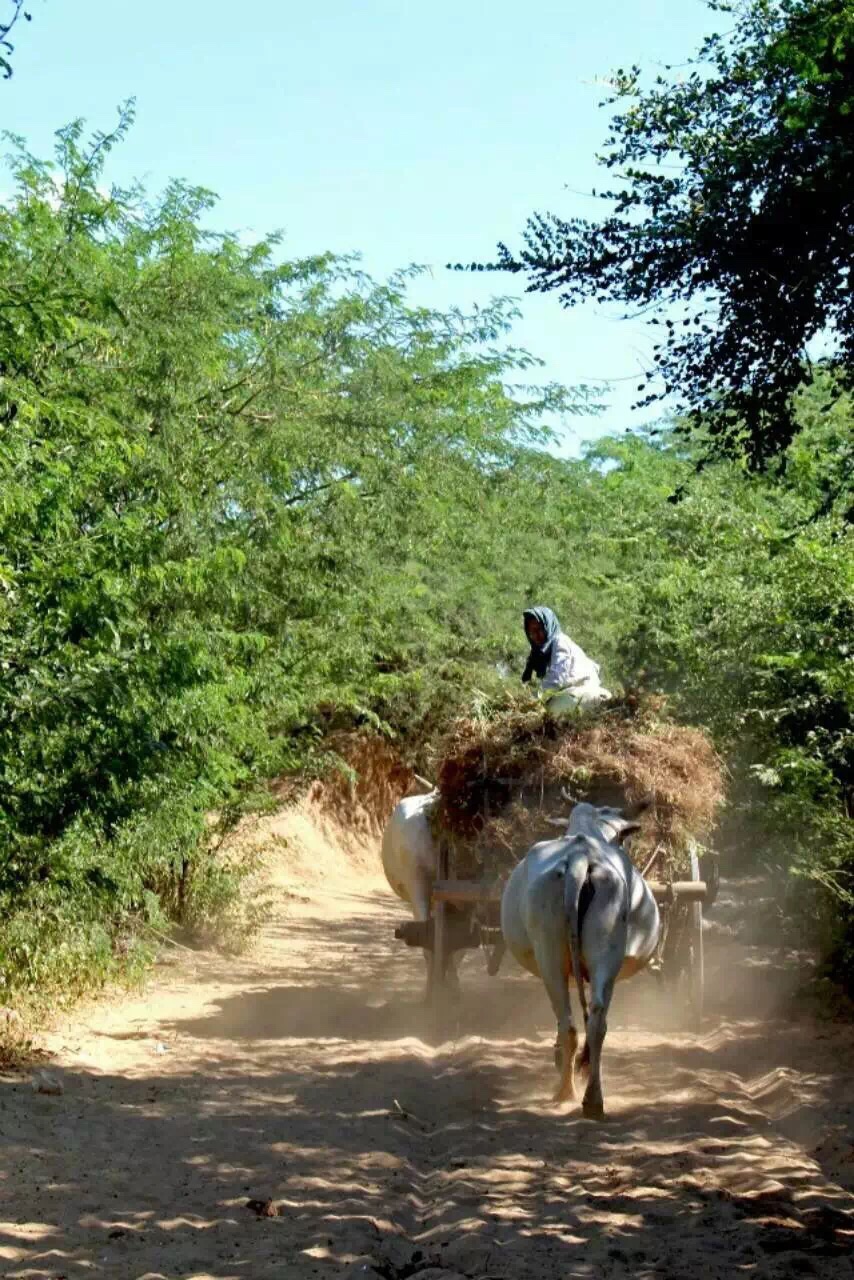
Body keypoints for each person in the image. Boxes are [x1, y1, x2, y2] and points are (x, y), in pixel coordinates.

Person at [521, 605, 610, 706]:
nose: (536, 636)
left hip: (585, 694)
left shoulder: (560, 642)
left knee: (548, 708)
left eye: (539, 630)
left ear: (548, 626)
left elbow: (556, 678)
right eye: (532, 632)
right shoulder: (546, 653)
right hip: (577, 696)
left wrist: (532, 700)